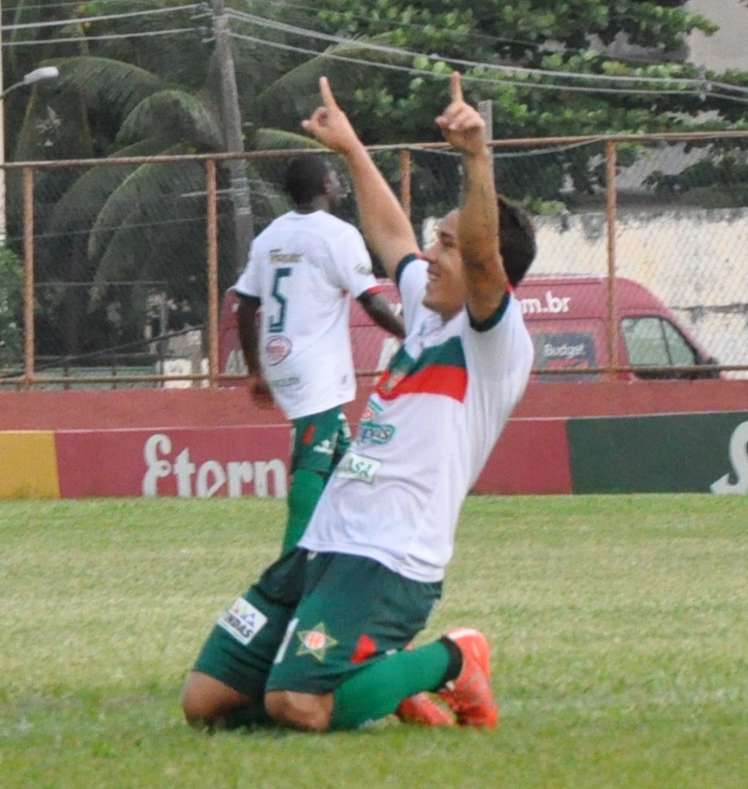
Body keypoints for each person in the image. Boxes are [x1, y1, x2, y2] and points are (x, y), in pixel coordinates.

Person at [181, 72, 537, 732]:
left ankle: (456, 657)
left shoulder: (495, 342)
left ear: (490, 270)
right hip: (324, 545)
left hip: (388, 559)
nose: (429, 254)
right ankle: (368, 674)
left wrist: (476, 157)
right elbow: (393, 233)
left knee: (297, 705)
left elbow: (483, 255)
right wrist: (350, 148)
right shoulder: (429, 315)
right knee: (205, 700)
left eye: (449, 246)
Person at [233, 155, 404, 554]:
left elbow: (244, 304)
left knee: (349, 463)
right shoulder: (338, 235)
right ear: (325, 185)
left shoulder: (269, 237)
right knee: (312, 461)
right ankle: (291, 568)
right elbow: (374, 304)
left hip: (280, 360)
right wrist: (413, 338)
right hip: (316, 368)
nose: (339, 182)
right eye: (334, 176)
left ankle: (373, 543)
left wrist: (255, 371)